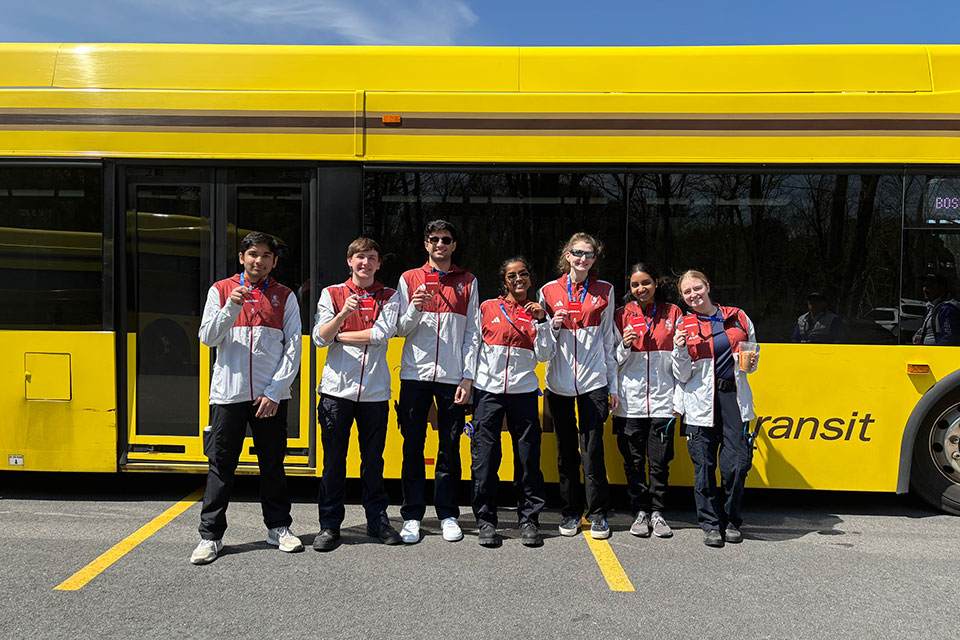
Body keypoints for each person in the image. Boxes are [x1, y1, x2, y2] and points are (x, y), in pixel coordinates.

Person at [191, 231, 303, 565]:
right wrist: (230, 307)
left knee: (273, 465)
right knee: (222, 466)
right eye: (253, 254)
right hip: (229, 395)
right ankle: (211, 537)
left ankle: (278, 528)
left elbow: (294, 347)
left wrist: (274, 392)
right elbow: (208, 338)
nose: (259, 260)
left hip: (270, 397)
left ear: (274, 261)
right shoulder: (221, 290)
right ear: (242, 258)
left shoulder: (285, 296)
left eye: (266, 255)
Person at [311, 237, 403, 551]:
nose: (365, 263)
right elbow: (320, 339)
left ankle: (377, 521)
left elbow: (380, 335)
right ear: (350, 261)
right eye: (360, 258)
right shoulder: (332, 294)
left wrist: (340, 335)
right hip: (337, 392)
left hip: (375, 393)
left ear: (379, 264)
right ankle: (329, 526)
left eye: (372, 258)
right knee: (334, 462)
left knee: (373, 462)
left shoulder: (390, 296)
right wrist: (340, 316)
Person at [395, 220, 480, 544]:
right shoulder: (409, 279)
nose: (440, 244)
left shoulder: (468, 281)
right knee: (412, 447)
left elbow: (473, 332)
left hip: (451, 378)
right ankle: (413, 516)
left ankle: (447, 514)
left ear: (454, 245)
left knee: (449, 449)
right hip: (414, 375)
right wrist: (415, 309)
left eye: (446, 239)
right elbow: (399, 329)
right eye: (434, 239)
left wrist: (468, 376)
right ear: (426, 244)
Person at [538, 232, 618, 540]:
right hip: (558, 384)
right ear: (567, 255)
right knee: (566, 452)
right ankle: (570, 512)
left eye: (589, 254)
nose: (582, 258)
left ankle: (598, 514)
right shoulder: (547, 290)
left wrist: (611, 385)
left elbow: (609, 341)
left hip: (593, 383)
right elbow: (542, 349)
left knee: (593, 451)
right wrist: (553, 327)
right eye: (577, 252)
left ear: (594, 259)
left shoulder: (605, 290)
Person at [470, 257, 553, 548]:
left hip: (524, 392)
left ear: (530, 279)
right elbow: (474, 347)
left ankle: (529, 520)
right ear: (504, 281)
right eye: (511, 276)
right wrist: (469, 382)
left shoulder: (539, 313)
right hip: (488, 391)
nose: (518, 279)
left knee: (528, 459)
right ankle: (486, 521)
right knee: (486, 458)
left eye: (523, 275)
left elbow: (544, 355)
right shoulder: (486, 308)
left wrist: (543, 321)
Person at [673, 270, 759, 548]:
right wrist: (680, 351)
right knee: (704, 467)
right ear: (683, 297)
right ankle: (710, 524)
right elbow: (682, 374)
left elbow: (752, 359)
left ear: (707, 287)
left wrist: (753, 360)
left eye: (696, 288)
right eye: (687, 292)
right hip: (700, 401)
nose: (693, 295)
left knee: (736, 466)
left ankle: (732, 521)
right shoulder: (684, 325)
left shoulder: (738, 316)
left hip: (733, 398)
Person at [613, 263, 683, 539]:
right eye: (634, 285)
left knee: (659, 462)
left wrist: (679, 399)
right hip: (630, 403)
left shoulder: (674, 312)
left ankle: (658, 512)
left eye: (646, 283)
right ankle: (640, 511)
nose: (641, 289)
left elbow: (681, 360)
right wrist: (625, 345)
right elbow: (611, 360)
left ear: (656, 282)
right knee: (632, 461)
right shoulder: (621, 315)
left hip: (664, 402)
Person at [913, 272, 960, 346]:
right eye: (924, 286)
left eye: (930, 286)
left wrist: (934, 353)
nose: (925, 289)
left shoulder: (947, 309)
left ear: (941, 288)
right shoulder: (931, 308)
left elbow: (950, 337)